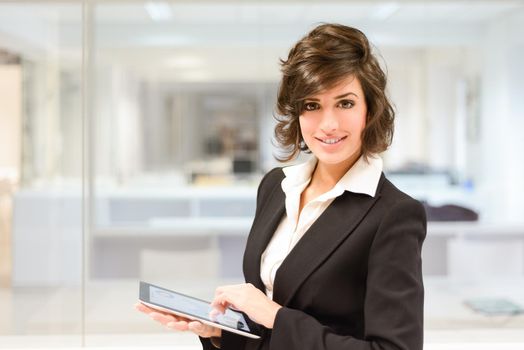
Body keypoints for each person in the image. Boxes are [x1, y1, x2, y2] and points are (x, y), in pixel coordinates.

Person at [136, 23, 426, 350]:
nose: (328, 124)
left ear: (369, 110)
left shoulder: (393, 214)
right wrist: (221, 331)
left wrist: (276, 316)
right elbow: (268, 328)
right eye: (312, 105)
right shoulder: (277, 186)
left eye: (345, 103)